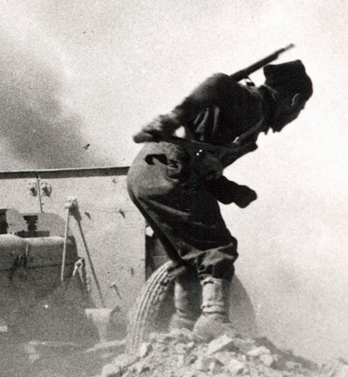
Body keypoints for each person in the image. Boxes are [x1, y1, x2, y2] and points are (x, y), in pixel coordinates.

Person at [127, 60, 312, 340]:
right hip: (169, 173)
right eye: (300, 108)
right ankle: (213, 318)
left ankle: (184, 324)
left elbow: (203, 165)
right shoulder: (254, 104)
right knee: (217, 247)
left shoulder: (252, 121)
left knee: (186, 258)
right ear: (294, 100)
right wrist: (173, 118)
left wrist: (230, 190)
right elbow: (218, 83)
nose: (297, 115)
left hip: (147, 174)